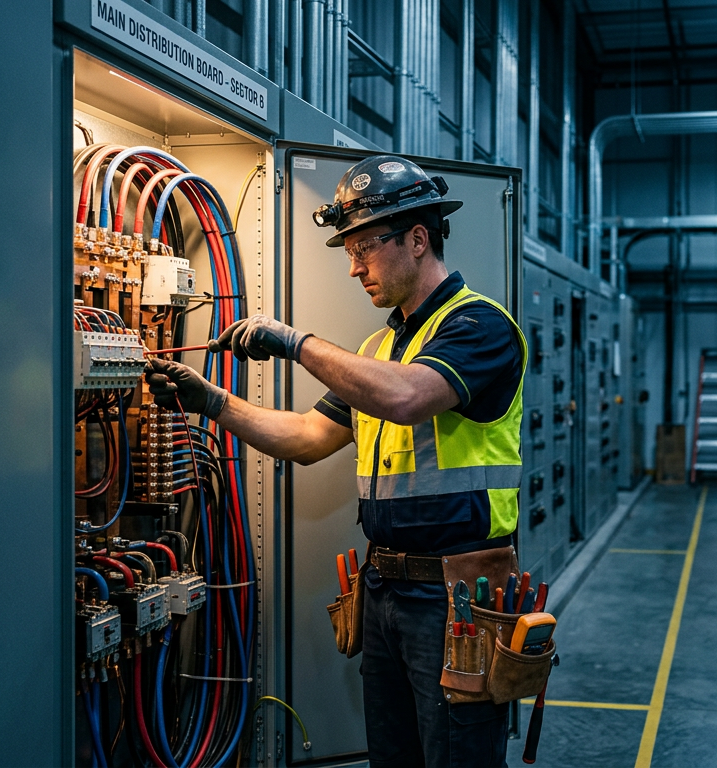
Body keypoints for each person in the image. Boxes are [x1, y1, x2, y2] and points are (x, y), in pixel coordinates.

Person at [143, 154, 525, 767]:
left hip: (456, 596)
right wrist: (209, 401)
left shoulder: (479, 326)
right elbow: (306, 436)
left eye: (364, 248)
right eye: (349, 251)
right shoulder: (380, 348)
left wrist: (295, 342)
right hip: (386, 590)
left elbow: (407, 398)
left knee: (458, 756)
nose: (353, 267)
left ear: (418, 239)